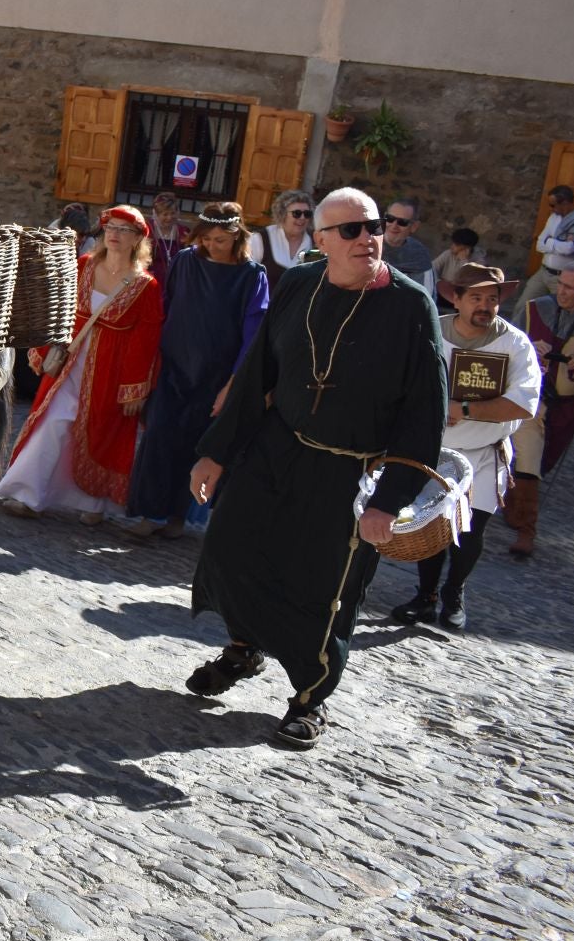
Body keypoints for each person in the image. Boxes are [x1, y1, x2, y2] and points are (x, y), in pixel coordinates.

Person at [186, 187, 445, 749]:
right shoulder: (299, 285)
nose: (367, 238)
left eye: (374, 226)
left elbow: (426, 414)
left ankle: (310, 698)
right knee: (233, 548)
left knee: (324, 587)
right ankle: (244, 648)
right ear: (321, 240)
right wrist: (217, 450)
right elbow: (258, 373)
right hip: (279, 448)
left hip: (350, 472)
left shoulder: (409, 307)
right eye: (349, 230)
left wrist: (388, 501)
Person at [390, 263, 538, 629]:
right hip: (433, 449)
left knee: (470, 532)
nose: (485, 306)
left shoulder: (515, 344)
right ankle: (426, 596)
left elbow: (524, 403)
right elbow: (397, 380)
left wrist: (465, 408)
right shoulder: (430, 331)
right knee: (432, 526)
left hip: (484, 454)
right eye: (476, 297)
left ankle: (455, 592)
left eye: (492, 298)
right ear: (456, 298)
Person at [0, 205, 163, 523]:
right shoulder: (84, 265)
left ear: (138, 238)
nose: (113, 234)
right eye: (110, 227)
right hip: (71, 363)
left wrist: (134, 387)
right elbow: (59, 309)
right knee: (54, 422)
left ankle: (92, 503)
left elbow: (146, 339)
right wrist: (45, 350)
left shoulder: (146, 286)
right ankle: (27, 494)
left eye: (123, 230)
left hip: (110, 371)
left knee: (99, 432)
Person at [117, 202, 268, 539]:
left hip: (216, 377)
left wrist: (231, 387)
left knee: (196, 445)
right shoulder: (185, 262)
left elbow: (252, 337)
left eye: (221, 239)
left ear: (237, 237)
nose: (212, 245)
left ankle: (178, 516)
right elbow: (166, 310)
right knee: (159, 437)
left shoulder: (251, 276)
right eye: (207, 238)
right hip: (173, 367)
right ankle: (149, 513)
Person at [502, 265, 574, 558]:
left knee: (544, 461)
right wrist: (528, 347)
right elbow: (505, 344)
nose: (561, 291)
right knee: (530, 456)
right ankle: (527, 531)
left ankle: (515, 503)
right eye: (560, 284)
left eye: (569, 287)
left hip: (567, 404)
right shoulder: (535, 309)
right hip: (532, 398)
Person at [513, 186, 574, 322]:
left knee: (559, 316)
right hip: (543, 272)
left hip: (564, 278)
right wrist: (557, 242)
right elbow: (539, 244)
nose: (551, 208)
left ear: (565, 203)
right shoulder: (554, 217)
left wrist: (550, 242)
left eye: (553, 205)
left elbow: (570, 248)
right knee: (522, 307)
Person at [255, 188, 315, 287]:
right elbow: (246, 275)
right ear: (282, 214)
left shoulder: (315, 242)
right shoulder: (262, 239)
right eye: (297, 213)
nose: (302, 218)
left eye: (307, 214)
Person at [382, 196, 435, 299]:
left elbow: (425, 296)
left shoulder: (419, 255)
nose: (394, 226)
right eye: (390, 219)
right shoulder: (368, 245)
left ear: (414, 226)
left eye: (402, 222)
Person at [432, 227, 486, 309]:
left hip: (462, 295)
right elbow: (432, 269)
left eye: (456, 245)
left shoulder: (478, 261)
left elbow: (470, 282)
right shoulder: (448, 254)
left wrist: (464, 261)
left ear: (467, 248)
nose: (452, 247)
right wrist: (440, 282)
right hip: (442, 291)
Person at [146, 192, 190, 288]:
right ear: (156, 214)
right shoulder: (148, 230)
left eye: (173, 213)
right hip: (150, 279)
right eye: (165, 214)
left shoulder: (183, 231)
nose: (169, 217)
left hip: (175, 280)